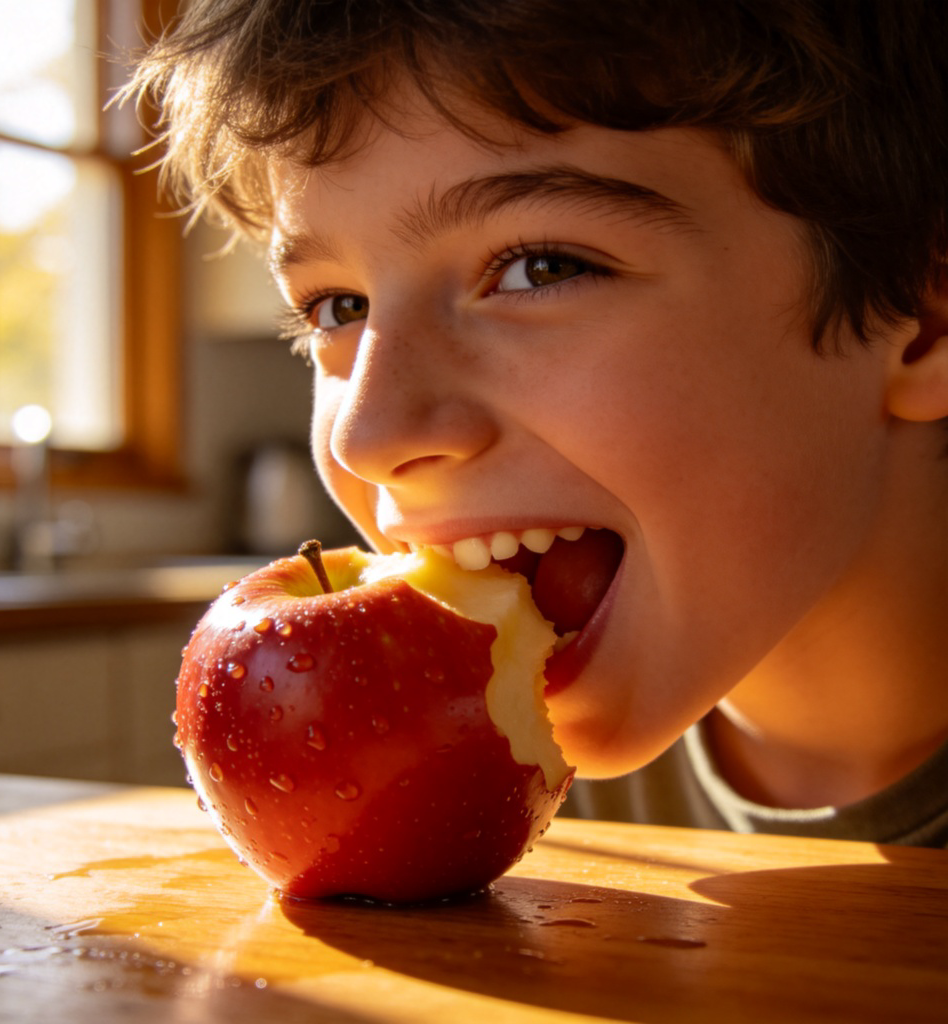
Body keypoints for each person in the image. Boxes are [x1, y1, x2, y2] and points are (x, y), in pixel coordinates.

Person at [125, 1, 948, 846]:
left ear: (922, 324)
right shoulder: (482, 762)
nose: (366, 437)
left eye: (539, 268)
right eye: (339, 307)